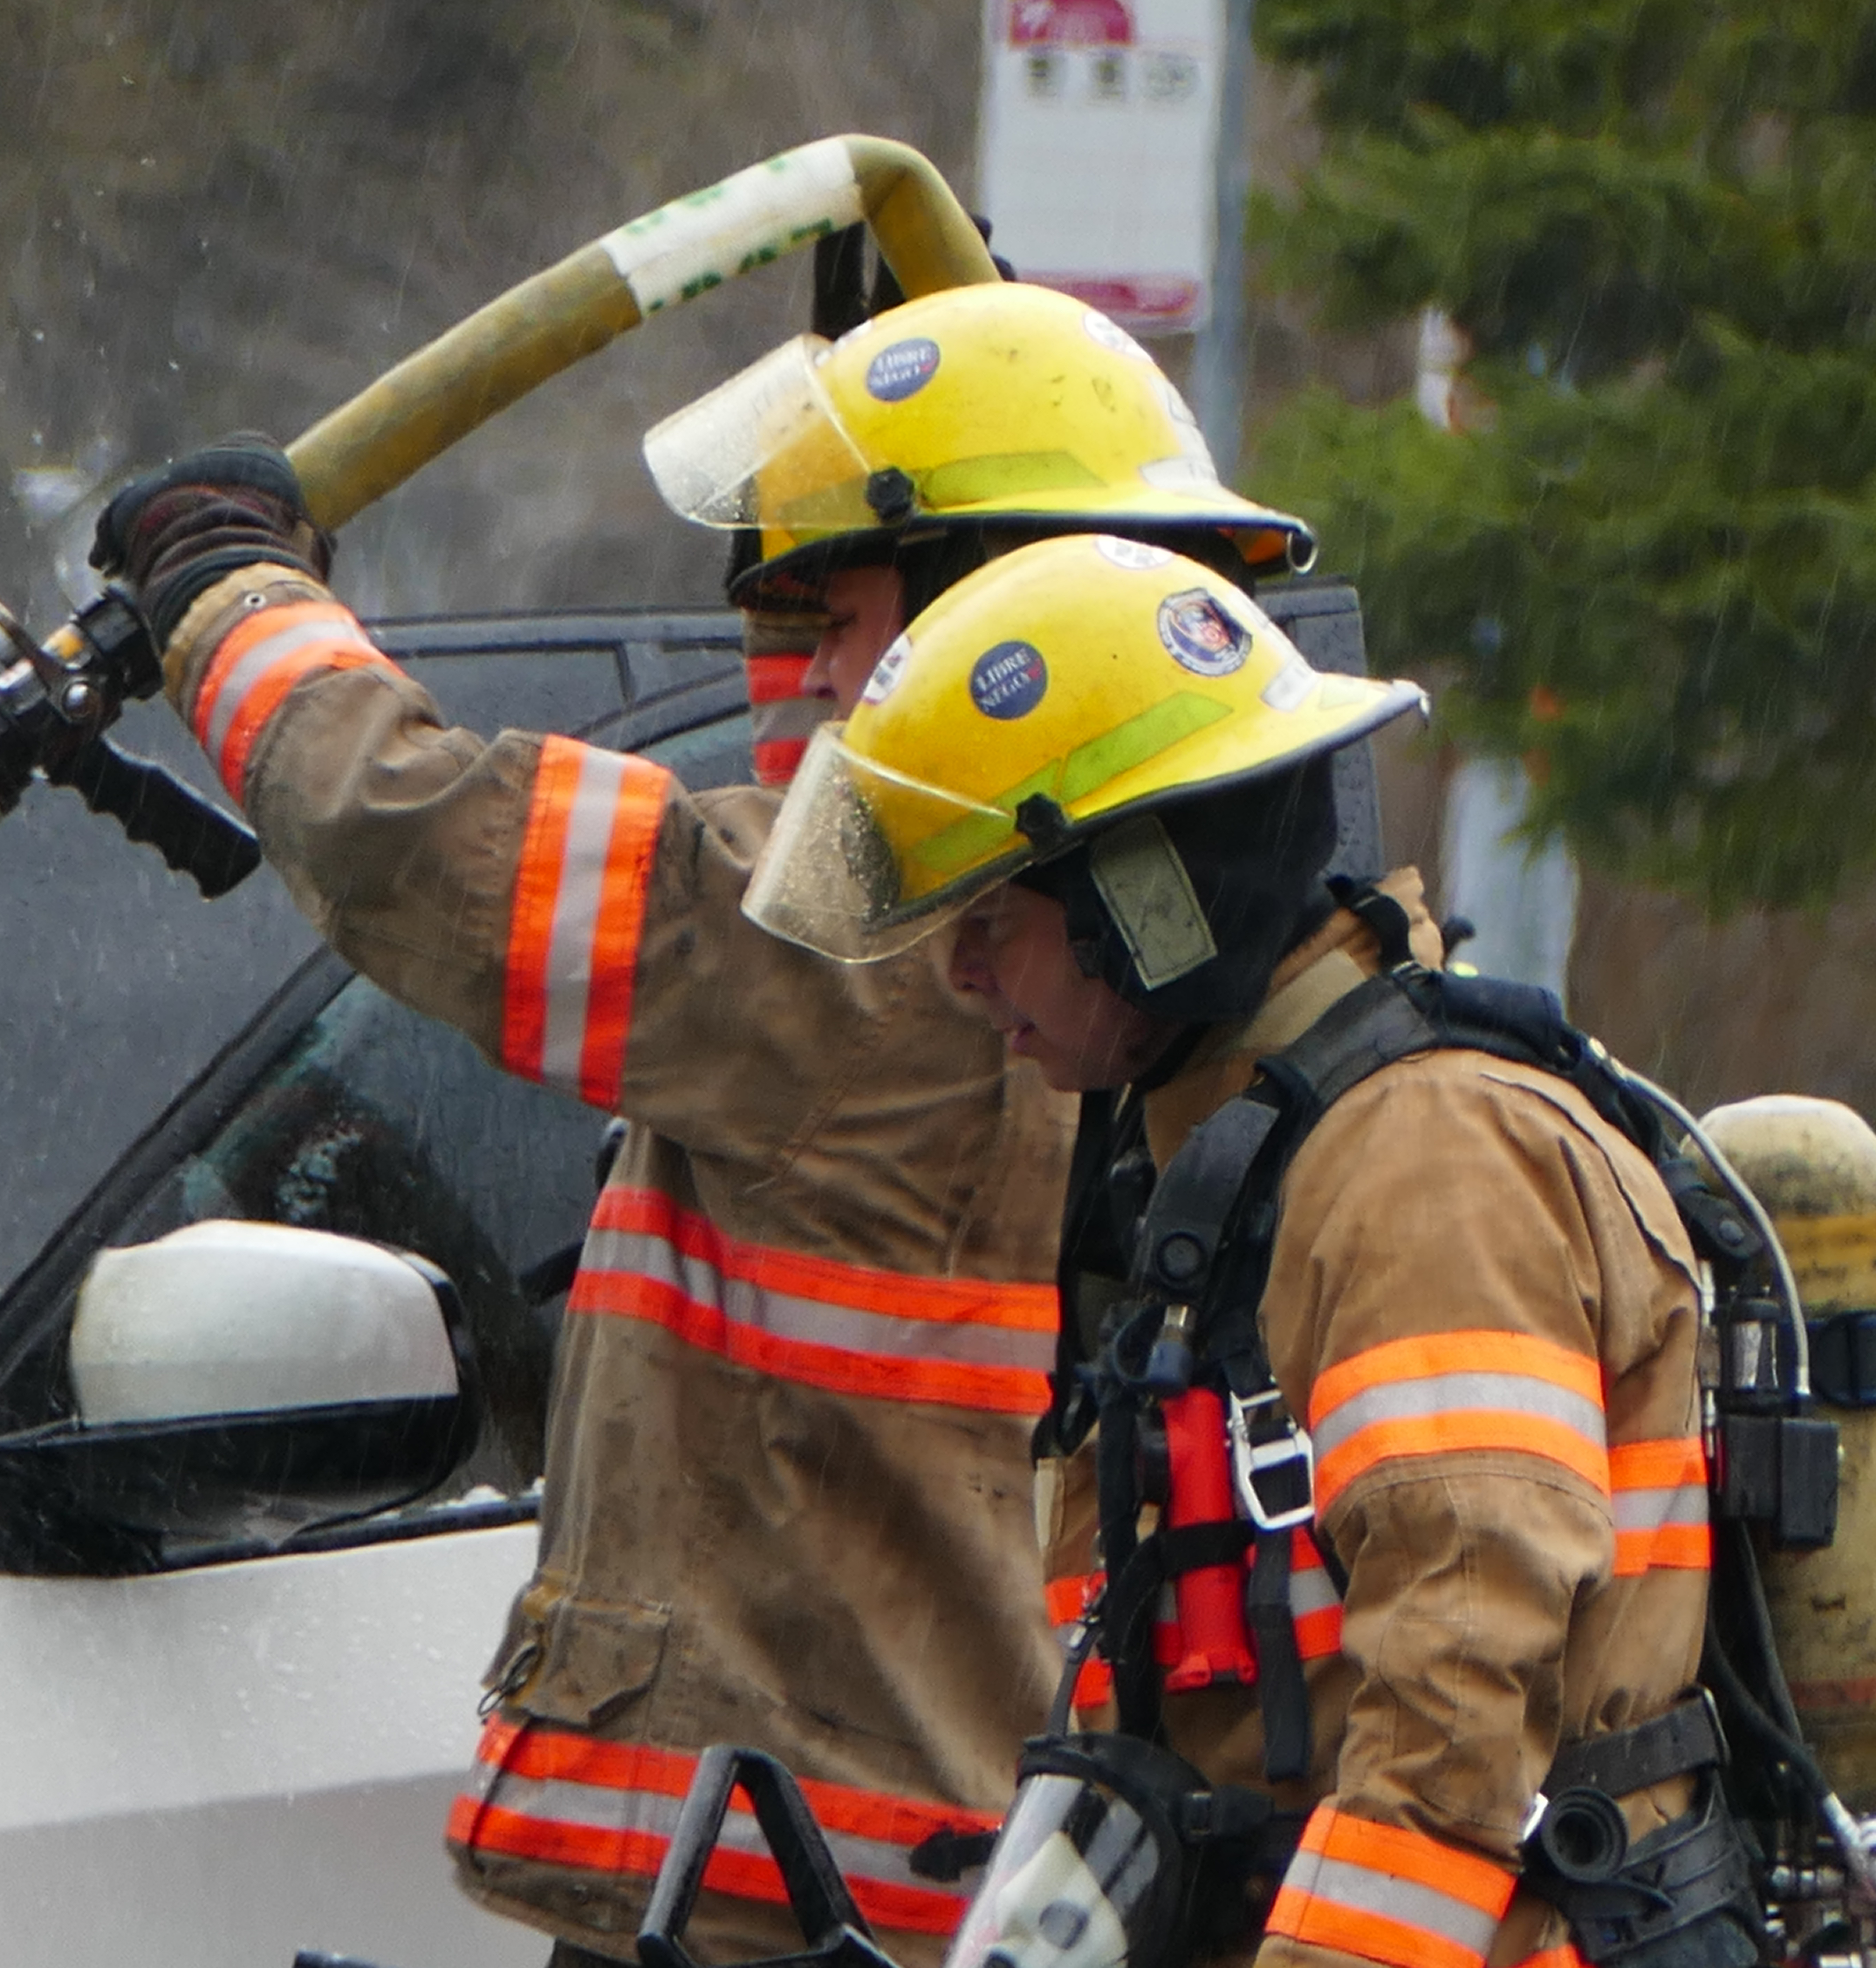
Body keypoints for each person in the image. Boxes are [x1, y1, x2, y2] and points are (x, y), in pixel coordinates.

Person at [87, 280, 1316, 1968]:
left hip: (791, 1870)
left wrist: (224, 584)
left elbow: (410, 831)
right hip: (976, 1871)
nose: (808, 663)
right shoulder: (1175, 969)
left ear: (991, 614)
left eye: (843, 607)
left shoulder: (856, 942)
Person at [740, 533, 1747, 1968]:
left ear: (1144, 901)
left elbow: (1456, 1724)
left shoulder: (1426, 1162)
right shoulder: (1241, 1162)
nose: (960, 975)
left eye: (994, 918)